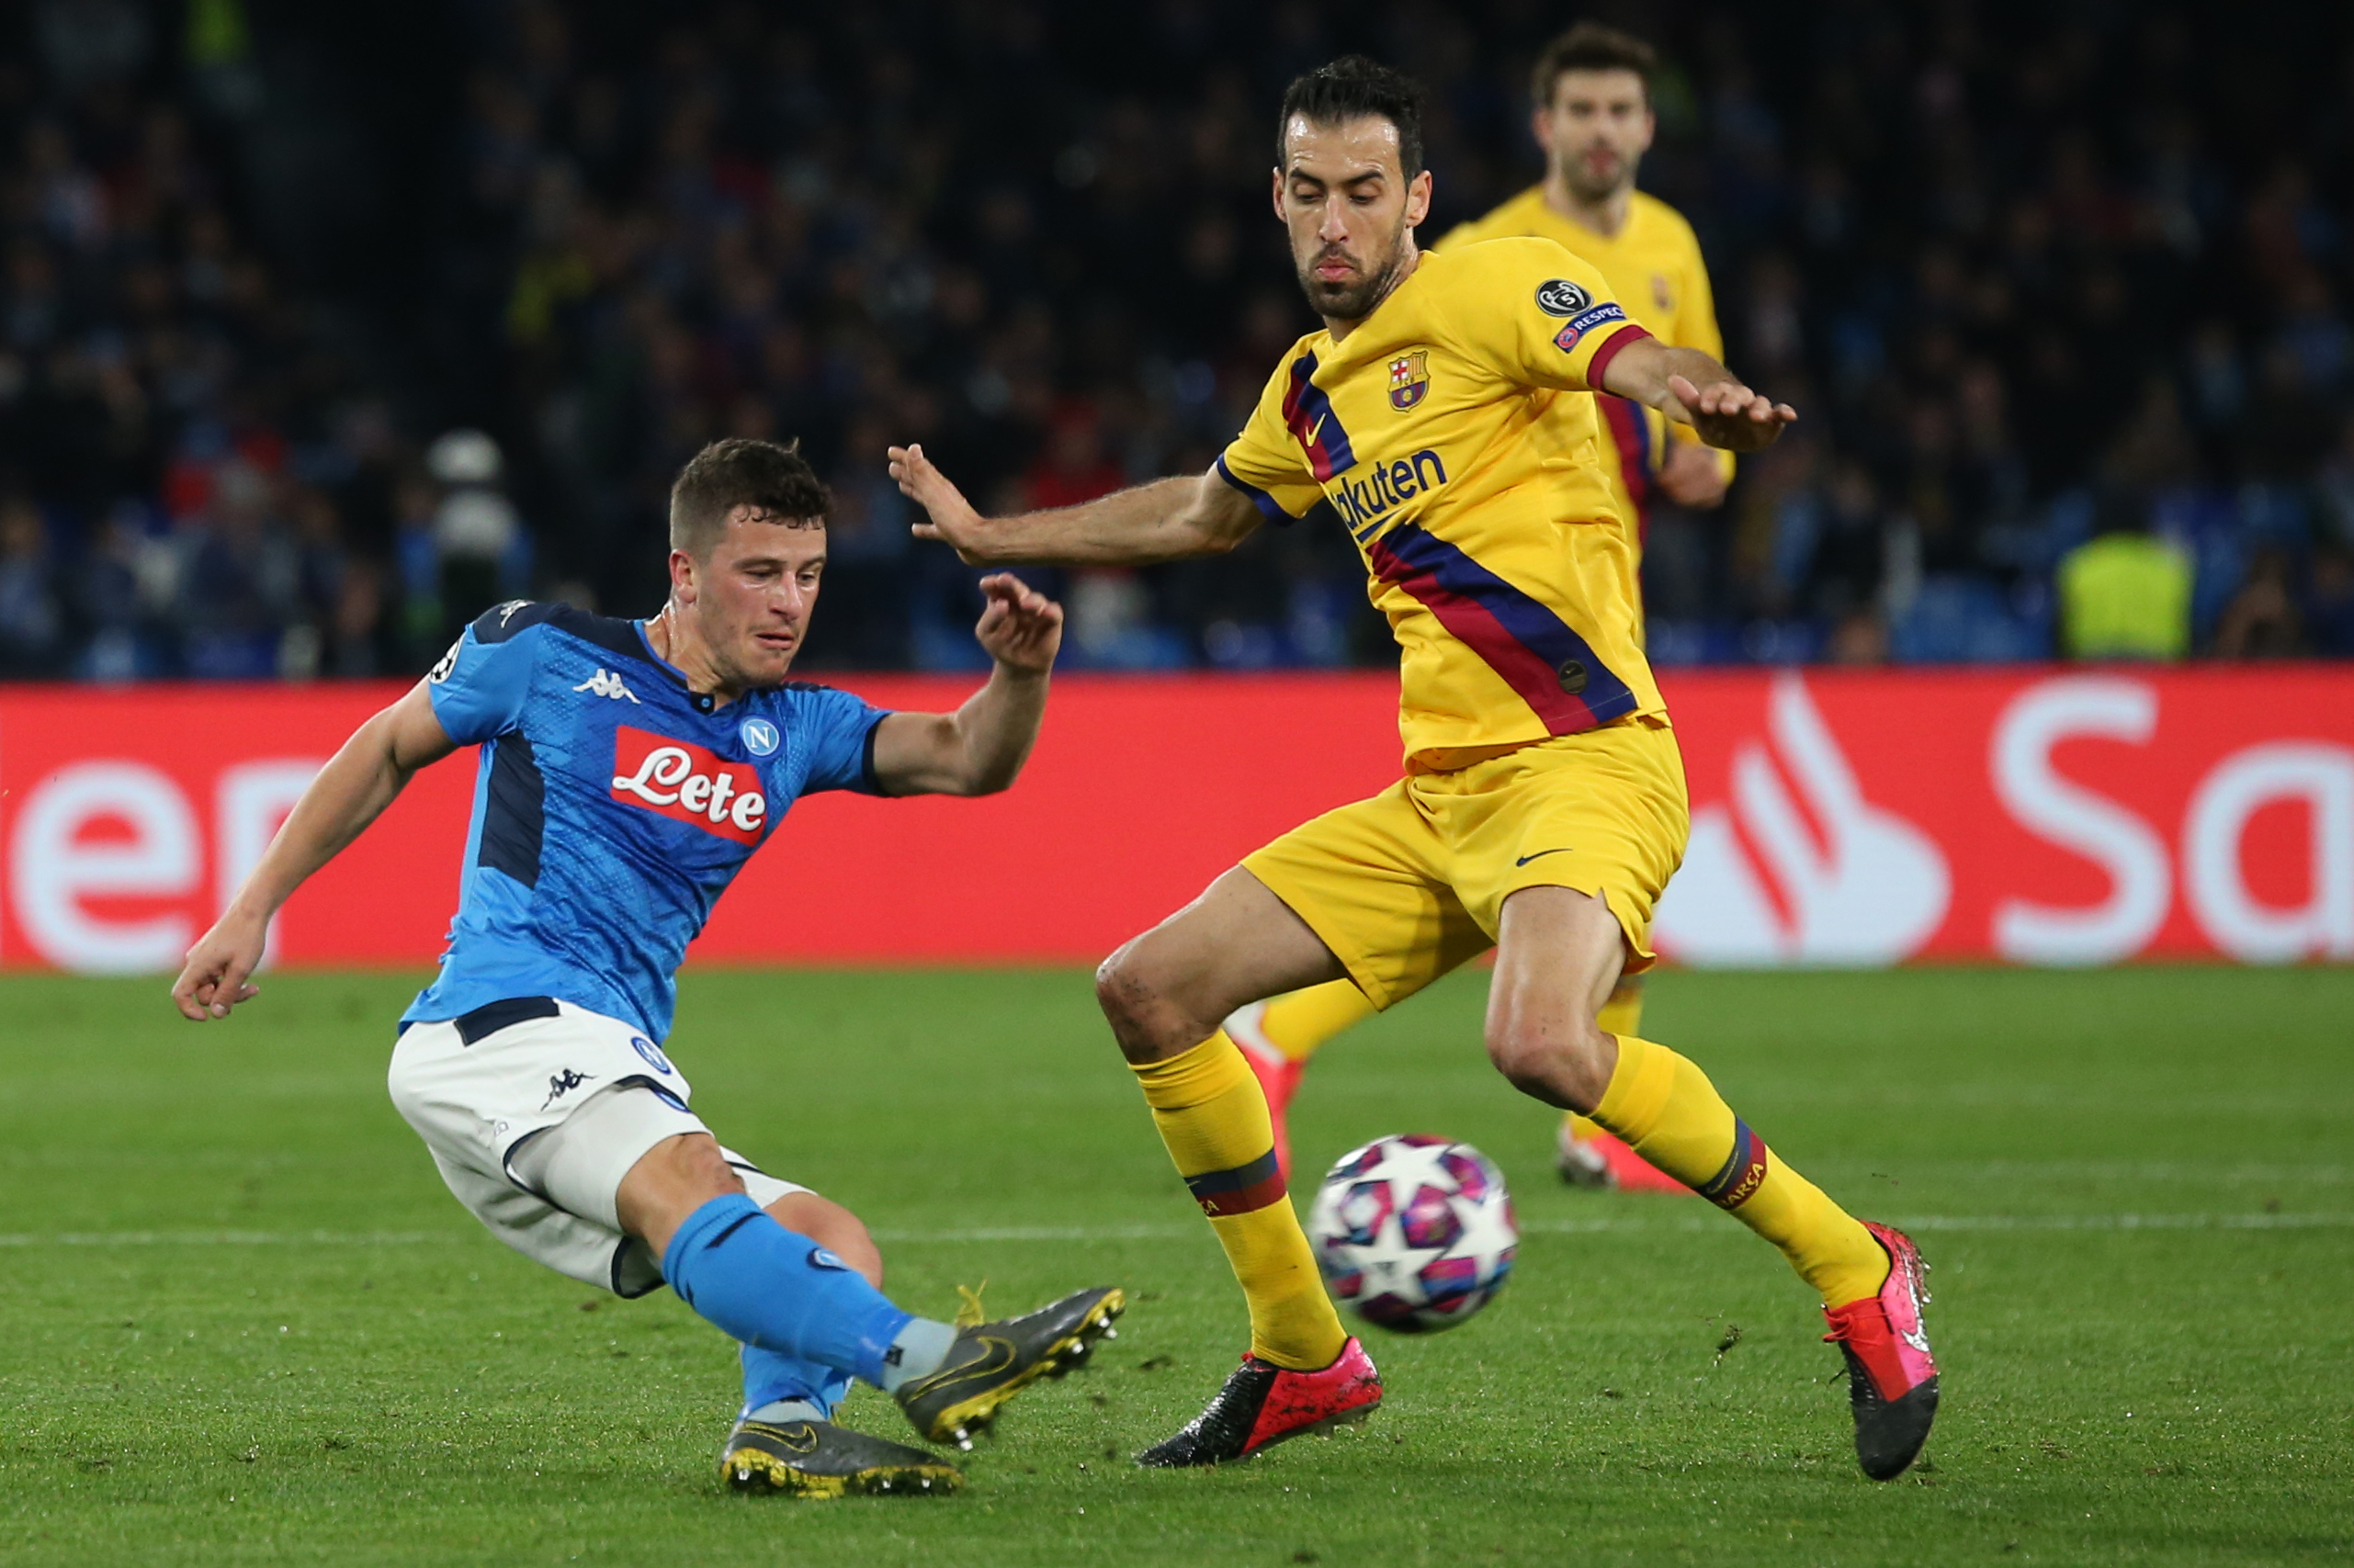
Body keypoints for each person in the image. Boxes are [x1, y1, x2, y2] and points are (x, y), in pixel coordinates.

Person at [889, 58, 1938, 1482]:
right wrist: (990, 533)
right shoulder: (1307, 391)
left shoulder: (1503, 282)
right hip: (1435, 800)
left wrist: (1702, 396)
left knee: (1540, 1042)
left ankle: (1855, 1263)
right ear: (1275, 198)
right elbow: (1203, 514)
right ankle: (1303, 1351)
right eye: (1309, 193)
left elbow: (1634, 357)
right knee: (1145, 986)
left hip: (1584, 764)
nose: (1335, 222)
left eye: (1364, 193)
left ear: (1416, 198)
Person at [170, 437, 1122, 1499]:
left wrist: (1020, 675)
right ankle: (933, 1361)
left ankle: (785, 1428)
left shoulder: (794, 725)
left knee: (826, 1234)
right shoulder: (543, 651)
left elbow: (965, 757)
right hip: (499, 1022)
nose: (789, 604)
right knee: (692, 1177)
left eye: (808, 576)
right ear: (683, 570)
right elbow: (391, 744)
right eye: (759, 572)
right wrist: (250, 909)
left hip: (602, 1057)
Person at [1227, 23, 1728, 1195]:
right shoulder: (1483, 252)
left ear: (1648, 128)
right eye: (1581, 111)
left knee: (1592, 873)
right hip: (1502, 609)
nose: (1603, 131)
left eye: (1623, 111)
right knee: (1553, 865)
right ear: (1546, 128)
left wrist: (1713, 455)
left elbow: (1684, 372)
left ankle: (1588, 1125)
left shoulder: (1672, 244)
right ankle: (1288, 1038)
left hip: (1605, 576)